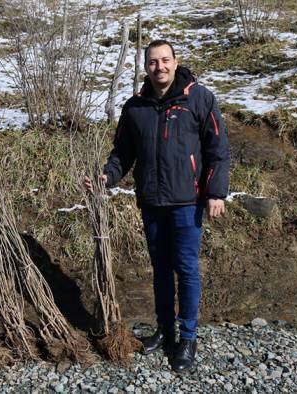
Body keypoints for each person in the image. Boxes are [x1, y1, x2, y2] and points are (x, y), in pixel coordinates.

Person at [85, 40, 230, 373]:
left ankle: (188, 339)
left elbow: (218, 149)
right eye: (153, 62)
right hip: (151, 202)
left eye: (165, 60)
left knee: (187, 269)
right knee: (161, 270)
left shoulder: (199, 98)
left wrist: (215, 193)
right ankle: (165, 331)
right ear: (145, 67)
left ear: (176, 62)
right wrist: (106, 176)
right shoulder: (135, 107)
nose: (159, 67)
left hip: (187, 202)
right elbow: (122, 153)